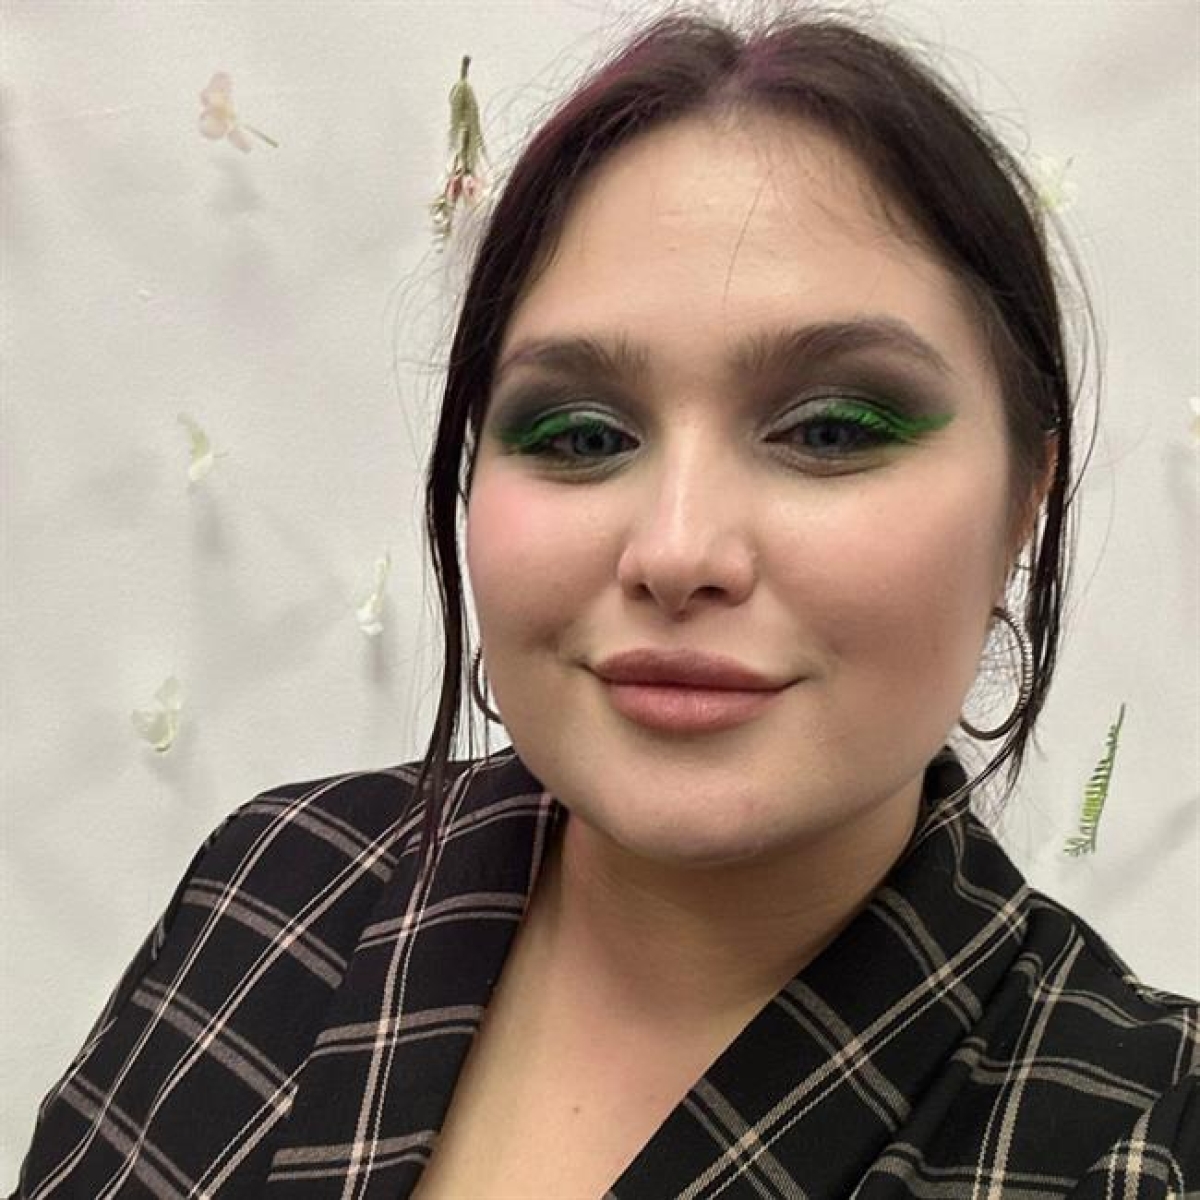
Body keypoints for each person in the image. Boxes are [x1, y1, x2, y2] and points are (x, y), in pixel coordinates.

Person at [13, 10, 1198, 1199]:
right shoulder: (275, 879)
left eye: (832, 430)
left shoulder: (1146, 1136)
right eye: (582, 435)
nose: (676, 552)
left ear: (1025, 497)